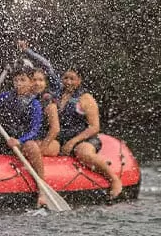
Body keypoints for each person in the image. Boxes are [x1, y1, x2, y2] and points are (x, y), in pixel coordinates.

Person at [47, 67, 122, 200]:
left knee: (83, 153)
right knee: (44, 148)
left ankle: (114, 179)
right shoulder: (56, 96)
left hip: (84, 139)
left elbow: (94, 127)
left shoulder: (86, 98)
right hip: (61, 138)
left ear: (79, 80)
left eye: (72, 79)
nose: (68, 82)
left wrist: (73, 142)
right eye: (65, 78)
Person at [0, 60, 48, 207]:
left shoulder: (35, 104)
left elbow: (35, 130)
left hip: (21, 144)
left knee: (32, 146)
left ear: (31, 82)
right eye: (16, 80)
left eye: (23, 80)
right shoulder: (7, 96)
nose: (18, 83)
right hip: (6, 142)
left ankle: (42, 191)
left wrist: (20, 141)